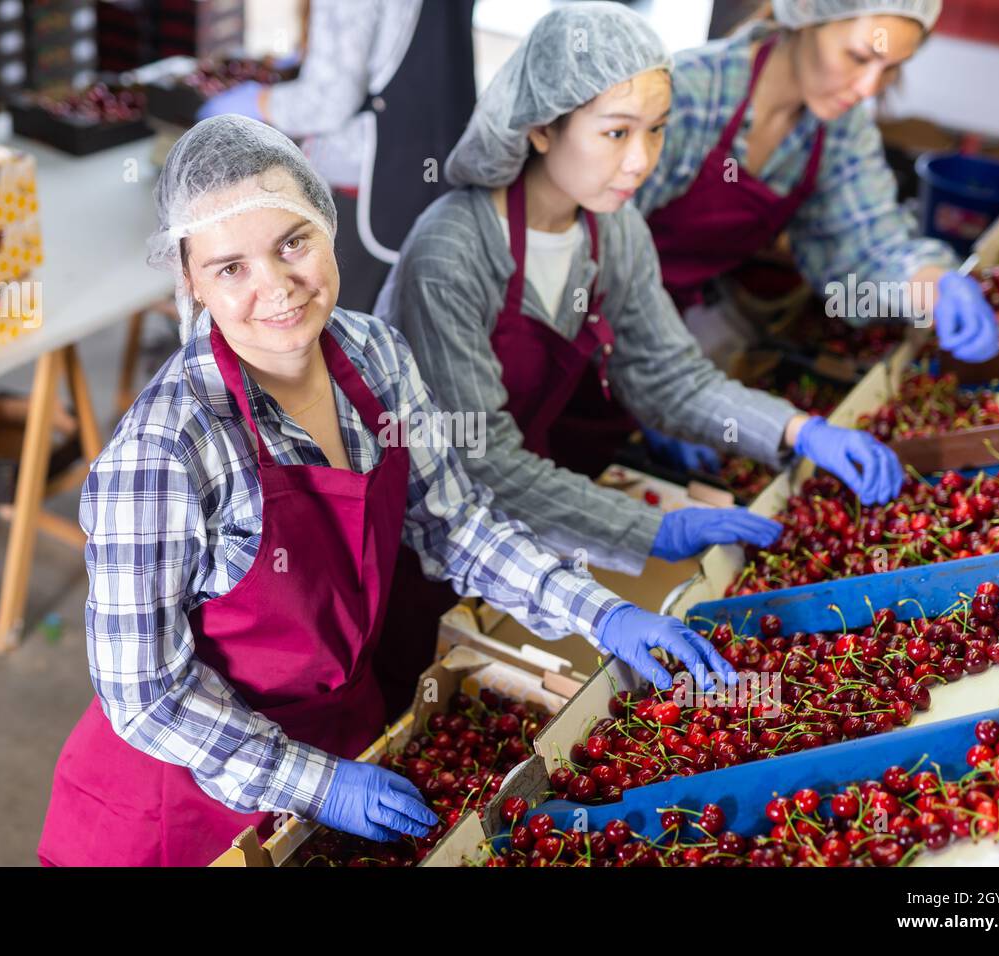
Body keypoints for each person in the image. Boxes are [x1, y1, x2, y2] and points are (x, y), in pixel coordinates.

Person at [36, 115, 739, 866]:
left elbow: (455, 525)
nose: (275, 288)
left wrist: (602, 614)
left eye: (292, 243)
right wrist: (316, 782)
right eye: (230, 267)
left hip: (345, 737)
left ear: (328, 226)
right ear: (190, 279)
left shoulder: (375, 358)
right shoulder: (164, 452)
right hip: (187, 800)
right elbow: (144, 693)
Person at [372, 3, 905, 717]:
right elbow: (481, 465)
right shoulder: (454, 250)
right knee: (407, 684)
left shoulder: (610, 230)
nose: (641, 160)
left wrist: (796, 432)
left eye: (655, 131)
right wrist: (645, 529)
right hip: (411, 532)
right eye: (616, 132)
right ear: (541, 126)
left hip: (519, 527)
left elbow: (667, 374)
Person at [637, 0, 999, 365]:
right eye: (858, 57)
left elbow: (870, 247)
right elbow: (594, 252)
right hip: (598, 326)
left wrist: (934, 285)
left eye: (891, 69)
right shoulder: (686, 96)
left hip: (667, 344)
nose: (869, 88)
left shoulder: (840, 130)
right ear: (806, 14)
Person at [198, 0, 476, 313]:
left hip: (367, 187)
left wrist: (258, 102)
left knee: (343, 331)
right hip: (435, 172)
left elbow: (329, 102)